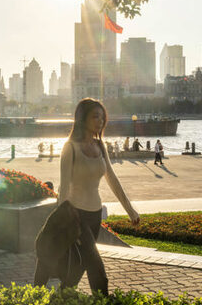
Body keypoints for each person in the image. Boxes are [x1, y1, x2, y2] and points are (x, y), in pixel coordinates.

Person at [34, 98, 140, 295]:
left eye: (102, 117)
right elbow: (64, 186)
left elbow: (112, 180)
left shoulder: (101, 146)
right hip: (75, 214)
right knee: (94, 262)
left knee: (78, 266)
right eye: (95, 116)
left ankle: (60, 299)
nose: (100, 121)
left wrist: (130, 210)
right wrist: (63, 217)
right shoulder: (70, 147)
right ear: (83, 119)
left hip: (94, 214)